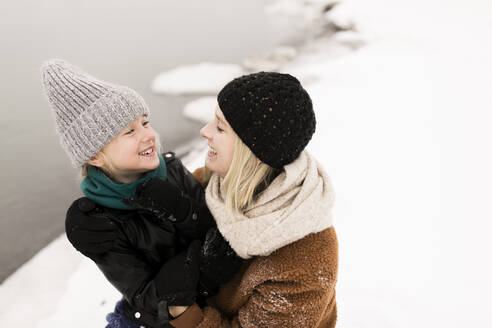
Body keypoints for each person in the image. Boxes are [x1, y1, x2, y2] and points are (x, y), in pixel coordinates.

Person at [40, 59, 242, 328]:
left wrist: (184, 212)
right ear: (95, 157)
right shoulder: (101, 224)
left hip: (222, 292)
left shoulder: (170, 169)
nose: (148, 135)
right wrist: (184, 274)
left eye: (145, 123)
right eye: (129, 131)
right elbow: (143, 296)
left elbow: (216, 229)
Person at [170, 72, 338, 328]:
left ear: (254, 153)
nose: (204, 131)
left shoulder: (306, 257)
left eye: (220, 127)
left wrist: (182, 312)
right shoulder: (208, 183)